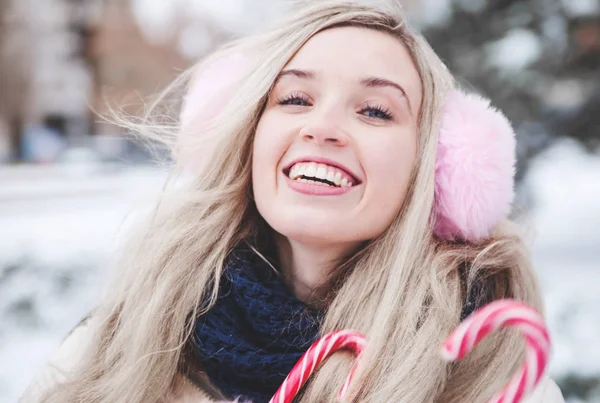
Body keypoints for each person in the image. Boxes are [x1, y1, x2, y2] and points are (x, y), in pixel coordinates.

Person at [20, 1, 565, 402]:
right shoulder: (124, 339)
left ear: (437, 168)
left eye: (375, 111)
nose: (322, 127)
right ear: (245, 132)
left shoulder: (494, 378)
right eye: (295, 98)